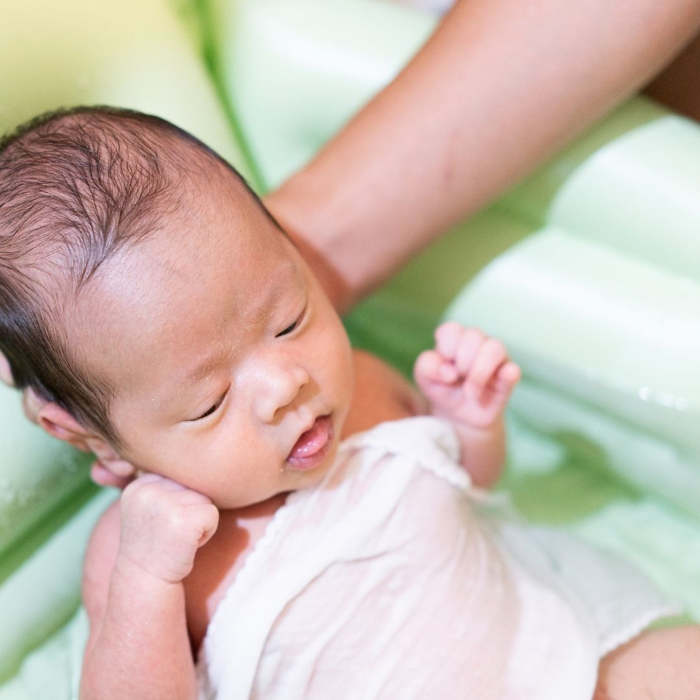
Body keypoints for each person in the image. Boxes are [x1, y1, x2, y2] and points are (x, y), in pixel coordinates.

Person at [1, 107, 699, 699]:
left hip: (564, 660)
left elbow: (464, 493)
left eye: (288, 320)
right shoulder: (144, 557)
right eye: (210, 403)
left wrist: (469, 425)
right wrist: (147, 582)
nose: (286, 387)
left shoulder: (363, 388)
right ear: (90, 436)